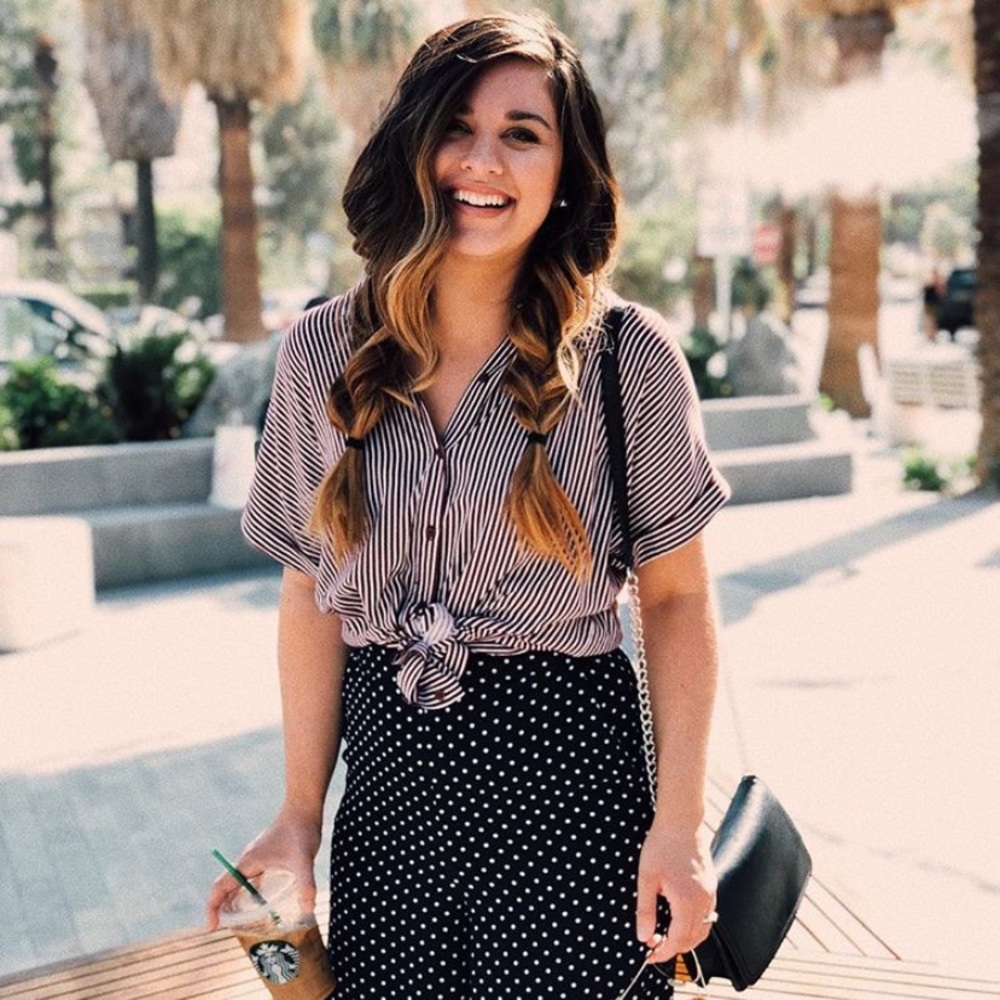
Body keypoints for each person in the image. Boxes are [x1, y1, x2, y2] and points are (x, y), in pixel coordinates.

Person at [206, 12, 730, 998]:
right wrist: (296, 814)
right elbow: (311, 593)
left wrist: (680, 825)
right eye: (456, 124)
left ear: (565, 169)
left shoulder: (628, 358)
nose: (480, 158)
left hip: (572, 815)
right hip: (389, 820)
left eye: (522, 132)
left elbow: (675, 602)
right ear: (414, 143)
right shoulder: (319, 354)